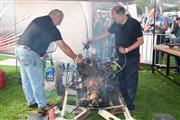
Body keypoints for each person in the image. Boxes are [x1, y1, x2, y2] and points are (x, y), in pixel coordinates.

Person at [16, 9, 82, 111]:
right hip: (29, 53)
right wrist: (76, 57)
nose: (59, 24)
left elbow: (34, 37)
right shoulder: (52, 28)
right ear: (56, 16)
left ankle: (32, 102)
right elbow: (63, 46)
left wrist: (42, 52)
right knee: (37, 80)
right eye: (60, 21)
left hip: (20, 49)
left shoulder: (39, 20)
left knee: (26, 80)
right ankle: (42, 105)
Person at [89, 6, 144, 111]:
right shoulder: (116, 24)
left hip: (131, 58)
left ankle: (129, 105)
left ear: (122, 15)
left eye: (114, 18)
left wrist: (127, 49)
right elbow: (107, 33)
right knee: (121, 79)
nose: (113, 20)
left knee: (130, 81)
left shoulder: (134, 23)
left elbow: (141, 41)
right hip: (120, 57)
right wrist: (94, 39)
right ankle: (122, 100)